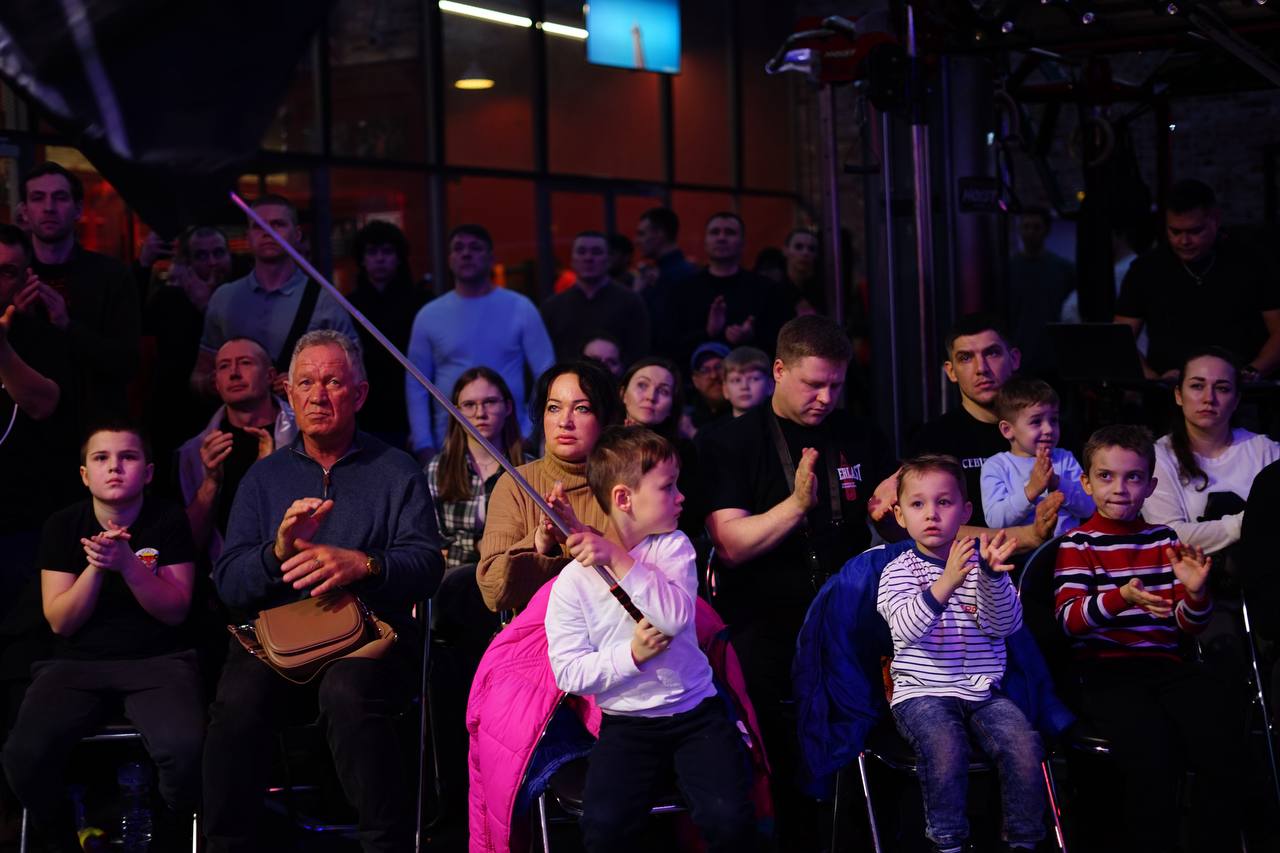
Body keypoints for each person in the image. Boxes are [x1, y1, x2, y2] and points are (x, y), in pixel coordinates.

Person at [202, 330, 443, 852]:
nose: (318, 395)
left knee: (347, 690)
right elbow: (229, 584)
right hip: (280, 642)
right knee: (236, 701)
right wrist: (277, 552)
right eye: (306, 383)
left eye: (333, 382)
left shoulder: (396, 470)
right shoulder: (263, 479)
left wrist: (365, 564)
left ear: (359, 394)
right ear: (288, 393)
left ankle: (386, 845)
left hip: (372, 637)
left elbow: (427, 566)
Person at [698, 315, 894, 846]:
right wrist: (797, 505)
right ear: (780, 370)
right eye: (813, 384)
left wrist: (896, 508)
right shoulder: (728, 442)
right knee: (762, 699)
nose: (825, 398)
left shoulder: (861, 434)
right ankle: (786, 829)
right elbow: (731, 545)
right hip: (764, 610)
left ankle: (868, 825)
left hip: (848, 606)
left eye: (836, 385)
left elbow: (900, 524)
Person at [545, 426, 756, 852]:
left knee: (730, 818)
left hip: (696, 713)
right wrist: (631, 656)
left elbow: (673, 618)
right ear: (624, 499)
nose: (681, 497)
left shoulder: (673, 547)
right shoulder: (572, 583)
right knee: (604, 828)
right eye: (667, 487)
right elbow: (568, 673)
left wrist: (618, 557)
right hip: (627, 724)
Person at [3, 424, 202, 853]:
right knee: (23, 756)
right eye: (101, 458)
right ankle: (63, 836)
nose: (114, 467)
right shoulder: (63, 525)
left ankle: (167, 834)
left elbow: (175, 610)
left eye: (127, 457)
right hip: (75, 666)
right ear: (84, 474)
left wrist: (128, 564)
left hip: (158, 662)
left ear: (148, 472)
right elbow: (61, 622)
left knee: (185, 749)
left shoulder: (167, 519)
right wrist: (97, 565)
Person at [1054, 424, 1244, 852]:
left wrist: (1195, 593)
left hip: (1164, 665)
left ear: (1150, 486)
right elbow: (1069, 620)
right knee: (1153, 754)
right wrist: (1120, 598)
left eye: (1133, 477)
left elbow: (1187, 625)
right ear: (1086, 483)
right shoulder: (1078, 544)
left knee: (1222, 735)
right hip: (1105, 671)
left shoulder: (1163, 539)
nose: (1119, 488)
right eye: (1106, 476)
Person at [878, 455, 1042, 853]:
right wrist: (947, 581)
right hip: (922, 691)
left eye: (944, 502)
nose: (931, 514)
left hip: (982, 691)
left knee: (1024, 744)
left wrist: (992, 578)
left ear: (965, 512)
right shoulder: (898, 571)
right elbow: (904, 628)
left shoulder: (982, 564)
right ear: (900, 515)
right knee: (945, 745)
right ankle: (948, 841)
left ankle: (1023, 839)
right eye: (918, 504)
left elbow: (1005, 626)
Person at [477, 360, 621, 613]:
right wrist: (540, 540)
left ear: (605, 418)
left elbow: (645, 576)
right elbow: (493, 592)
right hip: (537, 631)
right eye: (554, 408)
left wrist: (581, 534)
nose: (565, 421)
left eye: (582, 408)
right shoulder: (515, 484)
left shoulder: (628, 482)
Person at [406, 224, 554, 462]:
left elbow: (546, 374)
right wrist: (423, 442)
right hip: (447, 445)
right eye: (458, 248)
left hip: (512, 442)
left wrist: (529, 431)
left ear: (491, 257)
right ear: (449, 259)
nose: (466, 253)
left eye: (475, 248)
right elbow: (416, 383)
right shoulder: (429, 315)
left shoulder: (520, 308)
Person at [1115, 179, 1280, 379]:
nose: (1184, 241)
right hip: (1168, 389)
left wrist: (1250, 373)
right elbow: (1120, 339)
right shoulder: (1146, 269)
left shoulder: (1252, 262)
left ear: (1215, 220)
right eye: (1175, 232)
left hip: (1240, 389)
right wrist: (1153, 379)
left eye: (1195, 231)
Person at [194, 195, 358, 396]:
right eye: (258, 226)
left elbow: (355, 374)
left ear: (297, 234)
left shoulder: (326, 301)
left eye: (278, 224)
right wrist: (214, 381)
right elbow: (199, 375)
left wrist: (309, 381)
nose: (268, 232)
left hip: (304, 414)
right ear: (248, 237)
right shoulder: (224, 298)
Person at [20, 161, 141, 426]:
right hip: (25, 423)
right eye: (38, 198)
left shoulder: (111, 275)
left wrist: (67, 326)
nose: (49, 207)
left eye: (60, 197)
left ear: (78, 209)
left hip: (94, 423)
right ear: (25, 212)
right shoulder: (13, 276)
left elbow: (127, 363)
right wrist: (17, 320)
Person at [1141, 346, 1280, 553]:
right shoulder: (1158, 456)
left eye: (1222, 388)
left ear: (1237, 400)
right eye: (1197, 386)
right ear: (1178, 395)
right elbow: (1168, 535)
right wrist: (1250, 520)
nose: (1209, 398)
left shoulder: (1266, 450)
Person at [176, 337, 296, 565]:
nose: (234, 373)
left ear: (270, 376)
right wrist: (210, 483)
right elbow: (186, 546)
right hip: (222, 575)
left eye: (245, 363)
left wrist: (268, 475)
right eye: (224, 366)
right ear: (216, 383)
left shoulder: (305, 435)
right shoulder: (193, 453)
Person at [903, 314, 1022, 528]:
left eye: (992, 353)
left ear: (1014, 359)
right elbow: (927, 529)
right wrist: (1027, 537)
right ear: (951, 371)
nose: (981, 368)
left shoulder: (1050, 430)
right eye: (966, 358)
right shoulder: (932, 441)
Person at [144, 225, 236, 486]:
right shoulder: (169, 298)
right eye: (201, 255)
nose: (212, 262)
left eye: (219, 253)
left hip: (230, 412)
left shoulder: (242, 294)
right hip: (177, 416)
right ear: (188, 262)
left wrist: (209, 307)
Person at [426, 367, 524, 572]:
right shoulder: (437, 470)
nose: (480, 413)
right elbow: (430, 544)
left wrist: (460, 545)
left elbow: (529, 541)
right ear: (456, 412)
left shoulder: (528, 469)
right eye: (469, 405)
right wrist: (479, 545)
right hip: (452, 581)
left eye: (490, 402)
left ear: (508, 407)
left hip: (511, 577)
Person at [671, 212, 794, 365]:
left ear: (742, 243)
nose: (721, 238)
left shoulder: (766, 289)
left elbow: (782, 343)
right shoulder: (684, 291)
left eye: (730, 232)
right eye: (715, 232)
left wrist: (751, 337)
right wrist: (708, 332)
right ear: (705, 241)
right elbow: (671, 343)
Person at [348, 220, 426, 448]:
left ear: (399, 257)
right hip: (364, 412)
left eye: (387, 251)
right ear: (362, 259)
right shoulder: (347, 305)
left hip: (407, 412)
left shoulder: (420, 303)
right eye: (372, 252)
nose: (380, 258)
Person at [980, 377, 1094, 536]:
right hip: (1022, 550)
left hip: (1068, 547)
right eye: (1036, 421)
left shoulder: (1064, 459)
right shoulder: (997, 466)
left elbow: (1089, 507)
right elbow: (994, 520)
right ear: (1007, 430)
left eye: (1053, 420)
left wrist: (1058, 483)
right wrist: (1031, 490)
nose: (1048, 429)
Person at [541, 231, 651, 366]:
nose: (588, 258)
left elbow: (639, 354)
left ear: (609, 259)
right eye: (581, 252)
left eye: (596, 252)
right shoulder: (552, 307)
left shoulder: (631, 303)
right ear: (572, 260)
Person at [1008, 207, 1076, 377]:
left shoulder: (1064, 269)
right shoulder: (1007, 269)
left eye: (1036, 227)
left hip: (1056, 357)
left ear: (1046, 230)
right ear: (1020, 229)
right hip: (1020, 356)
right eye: (1026, 227)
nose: (1030, 232)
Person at [634, 207, 696, 361]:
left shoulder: (677, 276)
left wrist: (638, 294)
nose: (637, 241)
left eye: (642, 234)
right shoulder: (658, 273)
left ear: (659, 233)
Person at [687, 341, 730, 433]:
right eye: (705, 370)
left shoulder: (746, 414)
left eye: (719, 367)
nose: (713, 376)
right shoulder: (688, 420)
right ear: (695, 381)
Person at [721, 346, 773, 418]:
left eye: (753, 379)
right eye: (736, 380)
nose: (744, 386)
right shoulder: (714, 426)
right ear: (725, 390)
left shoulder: (781, 424)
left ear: (770, 385)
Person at [782, 228, 822, 315]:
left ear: (817, 255)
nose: (805, 253)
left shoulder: (821, 293)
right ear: (785, 250)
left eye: (811, 249)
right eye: (798, 247)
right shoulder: (775, 290)